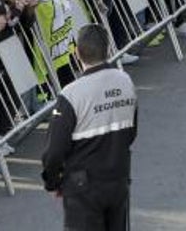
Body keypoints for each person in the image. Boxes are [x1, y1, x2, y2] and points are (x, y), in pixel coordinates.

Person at [41, 24, 137, 231]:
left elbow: (54, 151)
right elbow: (131, 131)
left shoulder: (71, 94)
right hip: (119, 177)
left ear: (77, 53)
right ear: (108, 49)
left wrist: (52, 182)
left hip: (83, 187)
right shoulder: (125, 81)